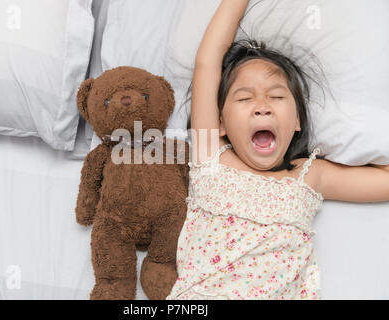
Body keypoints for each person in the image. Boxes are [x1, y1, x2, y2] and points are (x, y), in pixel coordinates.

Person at [166, 0, 389, 300]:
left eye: (276, 96)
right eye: (245, 99)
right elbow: (207, 61)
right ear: (220, 123)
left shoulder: (309, 176)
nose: (262, 106)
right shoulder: (210, 154)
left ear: (297, 120)